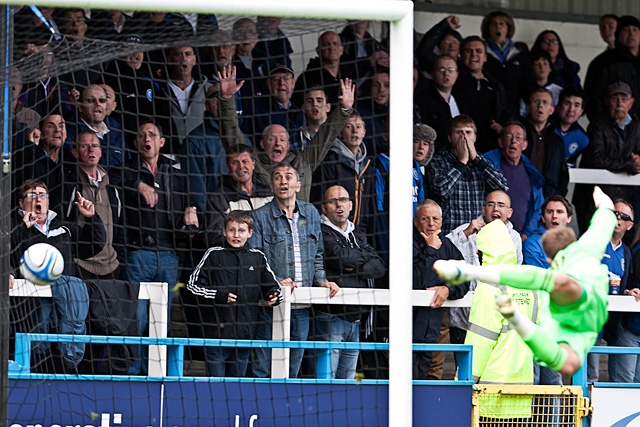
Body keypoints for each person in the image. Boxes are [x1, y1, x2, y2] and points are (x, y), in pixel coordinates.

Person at [435, 186, 617, 376]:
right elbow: (602, 224)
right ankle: (520, 321)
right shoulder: (588, 247)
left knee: (563, 357)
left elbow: (532, 277)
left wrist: (470, 271)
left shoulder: (574, 261)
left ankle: (519, 320)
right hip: (575, 324)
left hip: (581, 304)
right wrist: (605, 206)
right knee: (566, 363)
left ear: (548, 259)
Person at [109, 120, 199, 375]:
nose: (147, 139)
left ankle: (156, 371)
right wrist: (139, 184)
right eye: (141, 135)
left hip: (169, 256)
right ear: (136, 143)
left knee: (161, 321)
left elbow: (190, 196)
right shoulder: (126, 169)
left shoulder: (174, 172)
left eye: (152, 135)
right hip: (138, 255)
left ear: (162, 142)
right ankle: (133, 371)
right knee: (135, 320)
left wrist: (191, 207)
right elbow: (111, 178)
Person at [249, 162, 338, 378]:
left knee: (293, 363)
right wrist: (276, 280)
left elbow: (318, 254)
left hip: (302, 303)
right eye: (278, 177)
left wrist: (322, 280)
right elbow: (255, 258)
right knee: (261, 363)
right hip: (269, 303)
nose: (283, 181)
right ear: (272, 186)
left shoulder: (311, 212)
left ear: (298, 185)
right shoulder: (259, 216)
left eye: (288, 177)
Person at [218, 65, 355, 202]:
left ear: (289, 145)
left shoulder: (303, 161)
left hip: (300, 223)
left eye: (282, 140)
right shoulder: (253, 162)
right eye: (272, 139)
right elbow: (232, 133)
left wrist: (344, 110)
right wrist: (227, 99)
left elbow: (326, 134)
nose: (278, 143)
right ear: (262, 144)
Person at [10, 178, 105, 373]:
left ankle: (71, 360)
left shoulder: (64, 228)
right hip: (30, 310)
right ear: (21, 203)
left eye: (42, 195)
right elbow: (7, 253)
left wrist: (92, 218)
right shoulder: (12, 227)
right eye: (31, 194)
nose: (38, 198)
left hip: (65, 307)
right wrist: (22, 228)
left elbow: (94, 245)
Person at [186, 210, 281, 377]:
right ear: (224, 231)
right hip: (216, 336)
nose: (236, 235)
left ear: (250, 233)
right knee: (215, 388)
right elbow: (192, 286)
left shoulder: (257, 257)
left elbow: (272, 286)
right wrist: (218, 295)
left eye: (242, 230)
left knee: (236, 390)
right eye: (231, 230)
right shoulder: (213, 254)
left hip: (244, 336)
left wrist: (273, 295)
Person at [317, 185, 385, 379]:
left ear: (351, 205)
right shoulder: (322, 232)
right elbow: (340, 258)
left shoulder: (358, 234)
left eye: (343, 200)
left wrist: (354, 267)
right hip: (331, 318)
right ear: (324, 208)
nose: (339, 205)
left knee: (346, 384)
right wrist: (362, 260)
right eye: (333, 201)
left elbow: (379, 266)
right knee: (326, 381)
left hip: (356, 320)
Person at [446, 190, 524, 351]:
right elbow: (441, 251)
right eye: (491, 204)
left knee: (491, 370)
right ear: (483, 210)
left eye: (501, 205)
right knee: (463, 370)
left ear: (509, 212)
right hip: (463, 317)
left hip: (496, 317)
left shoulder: (514, 237)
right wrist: (465, 234)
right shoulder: (465, 229)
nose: (495, 209)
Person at [464, 219, 536, 385]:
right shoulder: (528, 288)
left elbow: (480, 342)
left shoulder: (489, 287)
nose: (477, 254)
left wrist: (464, 382)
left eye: (480, 250)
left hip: (490, 391)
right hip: (523, 388)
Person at [412, 199, 470, 379]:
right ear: (415, 222)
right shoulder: (405, 243)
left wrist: (447, 289)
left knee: (431, 381)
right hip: (408, 330)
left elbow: (465, 278)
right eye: (425, 219)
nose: (431, 224)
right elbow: (418, 282)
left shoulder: (446, 245)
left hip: (435, 328)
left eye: (435, 219)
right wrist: (430, 250)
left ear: (442, 222)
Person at [573, 81, 640, 234]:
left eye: (623, 99)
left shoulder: (636, 125)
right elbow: (596, 159)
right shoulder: (597, 125)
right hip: (593, 198)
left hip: (625, 197)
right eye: (614, 98)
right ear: (606, 101)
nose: (619, 103)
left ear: (631, 102)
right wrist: (630, 164)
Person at [426, 114, 509, 235]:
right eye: (459, 132)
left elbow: (503, 187)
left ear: (475, 138)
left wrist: (477, 160)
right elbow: (442, 190)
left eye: (468, 132)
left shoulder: (481, 161)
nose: (464, 137)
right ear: (450, 137)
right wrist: (461, 162)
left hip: (478, 235)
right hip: (450, 234)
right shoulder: (438, 161)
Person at [67, 131, 124, 280]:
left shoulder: (112, 187)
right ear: (75, 152)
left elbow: (120, 227)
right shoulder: (68, 184)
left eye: (95, 146)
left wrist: (120, 261)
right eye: (84, 146)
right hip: (80, 267)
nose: (91, 150)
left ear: (101, 152)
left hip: (111, 268)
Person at [590, 199, 634, 382]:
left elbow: (626, 282)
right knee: (591, 375)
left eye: (623, 216)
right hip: (589, 318)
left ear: (629, 225)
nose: (618, 218)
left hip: (613, 320)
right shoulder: (592, 240)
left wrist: (628, 292)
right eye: (614, 213)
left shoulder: (625, 252)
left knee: (617, 376)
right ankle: (586, 412)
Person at [310, 110, 375, 230]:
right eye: (349, 127)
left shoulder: (367, 166)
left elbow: (366, 208)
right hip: (332, 232)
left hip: (357, 233)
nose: (354, 131)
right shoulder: (330, 161)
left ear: (364, 133)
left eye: (358, 127)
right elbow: (318, 200)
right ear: (340, 132)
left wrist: (361, 232)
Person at [484, 122, 545, 237]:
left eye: (518, 137)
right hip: (491, 235)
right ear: (501, 142)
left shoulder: (532, 174)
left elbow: (538, 208)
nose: (513, 141)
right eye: (508, 136)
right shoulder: (489, 167)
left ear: (524, 145)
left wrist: (526, 234)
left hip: (521, 238)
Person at [452, 36, 510, 153]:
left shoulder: (496, 85)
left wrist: (502, 127)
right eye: (469, 51)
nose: (474, 55)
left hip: (490, 145)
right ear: (461, 56)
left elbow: (505, 110)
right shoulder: (454, 81)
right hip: (462, 143)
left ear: (485, 57)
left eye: (478, 51)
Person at [180, 83, 229, 212]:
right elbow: (195, 189)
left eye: (224, 99)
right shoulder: (194, 141)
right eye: (215, 99)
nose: (220, 103)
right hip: (215, 215)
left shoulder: (242, 137)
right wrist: (207, 218)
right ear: (206, 105)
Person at [584, 15, 640, 120]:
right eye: (625, 30)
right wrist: (602, 125)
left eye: (635, 30)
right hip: (612, 128)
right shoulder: (603, 62)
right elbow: (593, 98)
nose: (631, 34)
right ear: (618, 35)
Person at [481, 10, 533, 118]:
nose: (497, 27)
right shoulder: (481, 53)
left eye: (502, 24)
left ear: (508, 28)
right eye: (493, 24)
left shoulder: (519, 55)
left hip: (514, 112)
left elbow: (528, 84)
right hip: (487, 112)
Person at [66, 84, 128, 170]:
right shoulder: (70, 134)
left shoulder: (118, 131)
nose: (98, 104)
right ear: (80, 107)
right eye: (91, 100)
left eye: (102, 100)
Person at [522, 88, 569, 198]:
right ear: (528, 107)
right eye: (536, 101)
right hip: (521, 194)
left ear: (552, 110)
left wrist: (558, 196)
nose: (540, 106)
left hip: (548, 196)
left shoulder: (557, 141)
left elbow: (563, 174)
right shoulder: (519, 136)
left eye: (545, 102)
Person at [293, 30, 357, 107]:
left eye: (335, 44)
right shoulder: (307, 78)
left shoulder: (348, 77)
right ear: (318, 51)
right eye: (326, 45)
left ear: (341, 50)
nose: (332, 48)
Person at [418, 54, 464, 154]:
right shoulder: (422, 99)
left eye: (451, 70)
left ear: (456, 74)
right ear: (433, 73)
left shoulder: (462, 98)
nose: (446, 74)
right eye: (441, 70)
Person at [552, 87, 589, 169]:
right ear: (558, 106)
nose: (571, 109)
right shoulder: (546, 127)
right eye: (567, 103)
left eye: (576, 105)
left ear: (581, 111)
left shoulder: (582, 139)